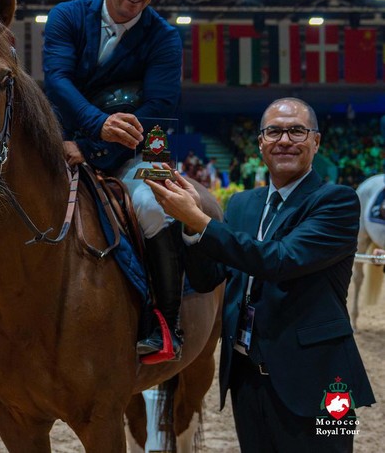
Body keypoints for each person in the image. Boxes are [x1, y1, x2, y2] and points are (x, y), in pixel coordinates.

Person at [145, 97, 375, 451]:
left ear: (316, 142)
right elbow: (209, 279)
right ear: (260, 144)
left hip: (319, 380)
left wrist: (200, 221)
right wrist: (189, 232)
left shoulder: (337, 201)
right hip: (247, 376)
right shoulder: (242, 204)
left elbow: (280, 261)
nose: (285, 139)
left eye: (297, 130)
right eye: (274, 131)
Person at [43, 0, 184, 359]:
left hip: (147, 141)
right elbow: (58, 81)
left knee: (152, 206)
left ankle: (165, 323)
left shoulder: (165, 38)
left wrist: (94, 147)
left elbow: (158, 108)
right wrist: (95, 127)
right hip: (67, 133)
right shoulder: (66, 16)